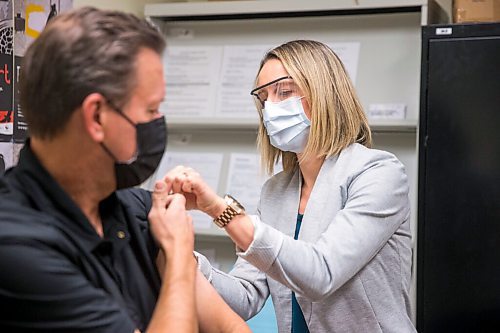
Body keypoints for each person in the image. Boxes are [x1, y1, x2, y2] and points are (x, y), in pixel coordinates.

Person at [0, 7, 250, 333]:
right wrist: (176, 259)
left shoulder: (141, 212)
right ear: (97, 117)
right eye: (151, 109)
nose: (158, 122)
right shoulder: (17, 246)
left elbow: (233, 330)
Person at [164, 40, 417, 332]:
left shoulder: (378, 173)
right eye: (263, 98)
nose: (270, 107)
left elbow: (321, 274)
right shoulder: (275, 191)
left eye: (284, 92)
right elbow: (245, 297)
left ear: (324, 94)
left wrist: (219, 210)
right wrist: (179, 254)